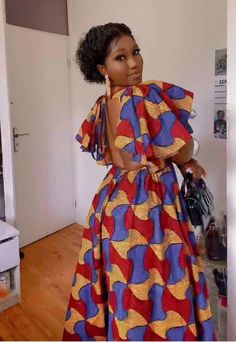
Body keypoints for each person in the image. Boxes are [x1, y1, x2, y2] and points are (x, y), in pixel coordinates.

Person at [63, 23, 215, 341]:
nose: (134, 63)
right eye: (121, 57)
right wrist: (188, 155)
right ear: (103, 68)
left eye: (136, 52)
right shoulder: (142, 98)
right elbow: (181, 146)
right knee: (159, 278)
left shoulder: (102, 105)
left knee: (124, 280)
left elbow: (111, 154)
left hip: (112, 203)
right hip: (149, 203)